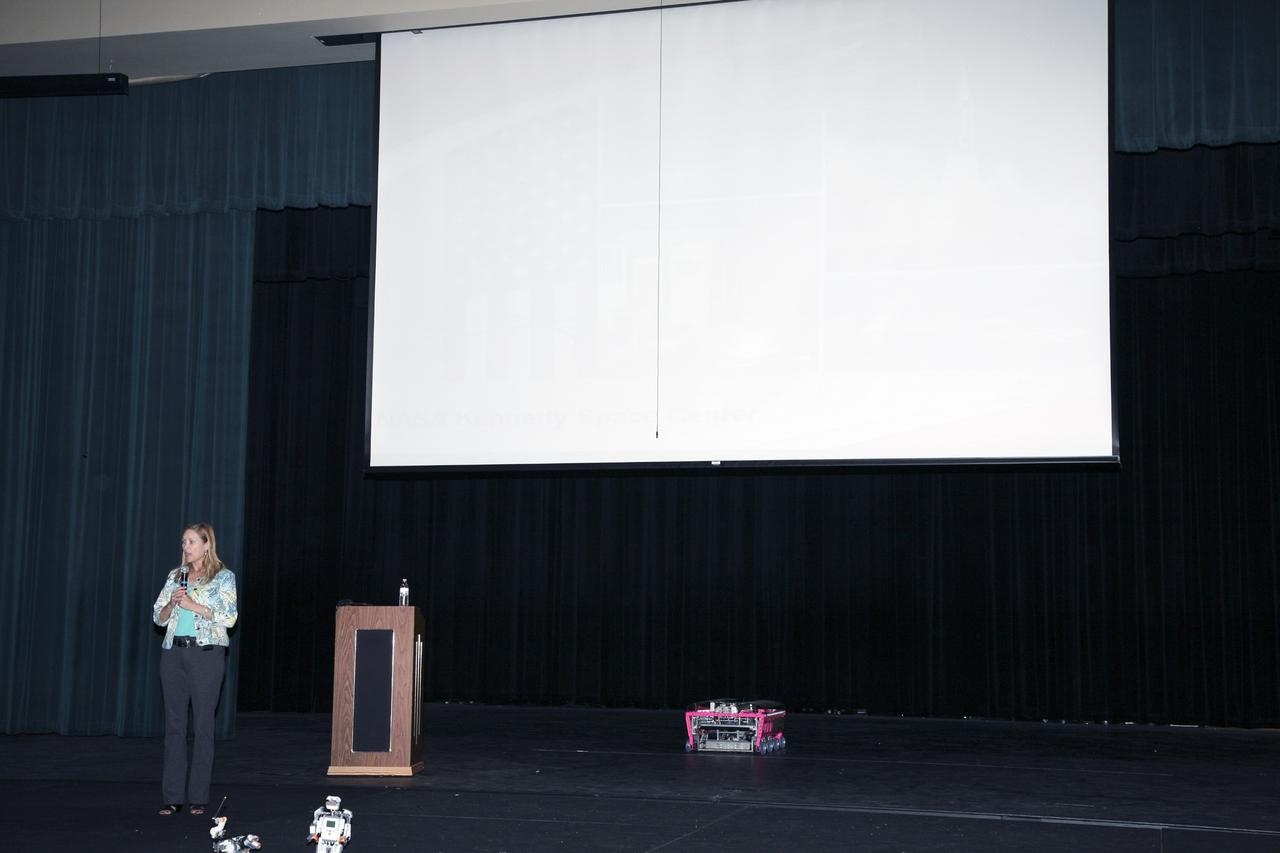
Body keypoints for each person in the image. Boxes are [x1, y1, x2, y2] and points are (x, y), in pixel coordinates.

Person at [152, 522, 238, 817]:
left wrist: (193, 604)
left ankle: (198, 798)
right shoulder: (175, 576)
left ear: (206, 545)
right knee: (174, 727)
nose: (185, 547)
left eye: (190, 542)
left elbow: (229, 618)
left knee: (203, 726)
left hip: (206, 656)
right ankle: (172, 797)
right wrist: (172, 605)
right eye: (183, 542)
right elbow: (158, 617)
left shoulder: (224, 578)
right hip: (173, 655)